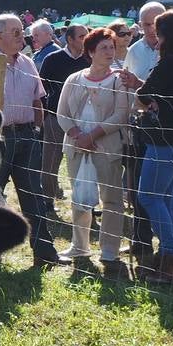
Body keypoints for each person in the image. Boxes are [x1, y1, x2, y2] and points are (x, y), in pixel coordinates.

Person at [0, 14, 67, 267]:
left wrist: (37, 131)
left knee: (34, 196)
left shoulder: (28, 63)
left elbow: (37, 100)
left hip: (27, 136)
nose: (23, 37)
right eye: (16, 32)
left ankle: (45, 251)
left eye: (22, 31)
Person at [124, 9, 173, 284]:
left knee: (148, 197)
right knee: (168, 199)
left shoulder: (169, 63)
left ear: (167, 34)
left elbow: (142, 96)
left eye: (158, 32)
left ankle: (171, 257)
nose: (155, 38)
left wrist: (151, 99)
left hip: (166, 141)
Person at [56, 28, 131, 278]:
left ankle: (109, 249)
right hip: (77, 147)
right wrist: (78, 135)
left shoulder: (118, 80)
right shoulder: (74, 79)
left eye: (112, 47)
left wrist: (94, 135)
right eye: (104, 48)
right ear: (90, 52)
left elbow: (121, 114)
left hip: (106, 148)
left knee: (111, 199)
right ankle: (80, 246)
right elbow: (62, 112)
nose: (110, 52)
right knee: (79, 196)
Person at [122, 1, 164, 265]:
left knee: (161, 187)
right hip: (141, 124)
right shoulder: (135, 51)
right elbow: (129, 89)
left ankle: (169, 245)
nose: (151, 29)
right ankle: (140, 240)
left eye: (155, 23)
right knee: (137, 184)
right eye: (146, 24)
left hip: (167, 128)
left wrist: (142, 88)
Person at [38, 23, 91, 203]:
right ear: (70, 39)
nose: (86, 39)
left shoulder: (89, 60)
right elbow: (42, 89)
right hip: (56, 116)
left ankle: (86, 201)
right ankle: (48, 199)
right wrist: (46, 114)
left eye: (87, 35)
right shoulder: (52, 59)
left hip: (85, 119)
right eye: (82, 36)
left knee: (85, 161)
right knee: (51, 160)